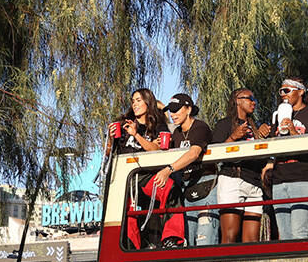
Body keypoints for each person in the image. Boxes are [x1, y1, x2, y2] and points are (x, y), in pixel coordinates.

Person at [261, 79, 308, 240]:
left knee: (299, 233)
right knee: (284, 235)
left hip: (303, 177)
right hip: (279, 178)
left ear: (301, 91)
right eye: (281, 91)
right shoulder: (278, 115)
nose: (283, 95)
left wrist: (294, 132)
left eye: (287, 90)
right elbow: (273, 148)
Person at [151, 94, 217, 247]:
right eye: (170, 111)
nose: (172, 114)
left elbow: (194, 153)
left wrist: (168, 170)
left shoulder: (200, 127)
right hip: (187, 188)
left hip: (207, 184)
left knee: (205, 239)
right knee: (189, 241)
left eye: (176, 110)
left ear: (188, 109)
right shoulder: (176, 133)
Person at [212, 88, 271, 243]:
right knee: (230, 236)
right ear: (237, 100)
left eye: (254, 99)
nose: (254, 102)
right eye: (250, 98)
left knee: (251, 240)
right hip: (233, 179)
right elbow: (214, 155)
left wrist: (265, 138)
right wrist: (233, 137)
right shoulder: (224, 124)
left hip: (254, 183)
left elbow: (263, 158)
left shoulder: (255, 127)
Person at [106, 88, 169, 156]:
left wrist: (136, 135)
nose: (134, 104)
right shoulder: (124, 124)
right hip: (123, 165)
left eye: (138, 100)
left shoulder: (158, 125)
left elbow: (156, 149)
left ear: (148, 102)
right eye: (133, 102)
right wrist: (110, 139)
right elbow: (107, 153)